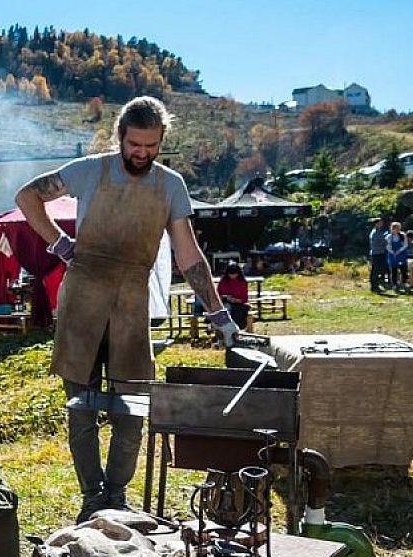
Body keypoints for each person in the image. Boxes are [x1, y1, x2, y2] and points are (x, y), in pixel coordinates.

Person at [14, 96, 238, 524]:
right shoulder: (90, 170)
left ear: (161, 142)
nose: (142, 153)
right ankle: (91, 498)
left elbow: (189, 256)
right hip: (82, 298)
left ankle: (116, 497)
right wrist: (60, 243)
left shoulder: (171, 185)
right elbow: (27, 197)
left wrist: (218, 313)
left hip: (132, 303)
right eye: (135, 144)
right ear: (121, 136)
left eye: (151, 146)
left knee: (132, 408)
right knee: (80, 405)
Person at [217, 262, 253, 332]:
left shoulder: (242, 282)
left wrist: (235, 300)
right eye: (230, 274)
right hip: (225, 302)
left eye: (234, 274)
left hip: (239, 304)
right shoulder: (224, 281)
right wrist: (225, 297)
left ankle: (234, 329)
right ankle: (225, 329)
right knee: (226, 308)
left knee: (235, 311)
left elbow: (244, 298)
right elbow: (218, 294)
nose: (232, 276)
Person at [386, 221, 408, 290]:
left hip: (401, 254)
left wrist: (399, 251)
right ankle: (394, 284)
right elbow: (387, 246)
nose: (396, 230)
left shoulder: (403, 235)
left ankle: (404, 282)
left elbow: (405, 245)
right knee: (394, 270)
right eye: (395, 228)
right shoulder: (389, 236)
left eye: (398, 228)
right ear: (392, 229)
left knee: (403, 269)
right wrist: (393, 252)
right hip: (393, 255)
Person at [368, 217, 388, 292]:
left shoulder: (379, 231)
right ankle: (374, 287)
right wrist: (386, 241)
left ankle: (376, 286)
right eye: (380, 222)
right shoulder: (375, 233)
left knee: (378, 270)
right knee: (375, 271)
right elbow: (381, 242)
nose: (382, 223)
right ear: (376, 224)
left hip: (380, 252)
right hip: (376, 254)